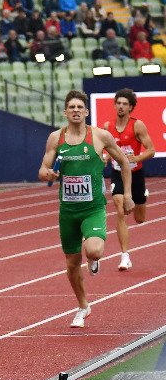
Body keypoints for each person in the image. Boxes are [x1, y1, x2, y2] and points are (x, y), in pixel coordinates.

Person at [39, 90, 134, 328]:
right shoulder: (55, 138)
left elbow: (123, 162)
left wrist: (129, 194)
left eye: (79, 107)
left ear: (86, 112)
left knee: (93, 251)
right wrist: (48, 174)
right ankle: (83, 306)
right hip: (68, 212)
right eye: (71, 107)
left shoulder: (100, 136)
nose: (75, 111)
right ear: (65, 112)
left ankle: (93, 259)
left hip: (93, 207)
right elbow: (42, 170)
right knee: (71, 264)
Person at [101, 89, 155, 271]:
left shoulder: (137, 126)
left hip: (135, 173)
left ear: (131, 107)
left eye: (125, 104)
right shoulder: (108, 126)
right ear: (115, 105)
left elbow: (151, 149)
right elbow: (105, 149)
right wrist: (106, 157)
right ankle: (125, 256)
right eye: (119, 103)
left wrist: (136, 158)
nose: (121, 106)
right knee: (120, 206)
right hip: (117, 172)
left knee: (139, 218)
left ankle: (142, 196)